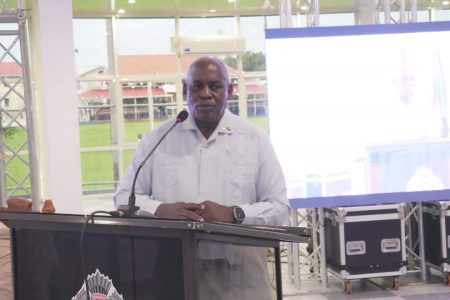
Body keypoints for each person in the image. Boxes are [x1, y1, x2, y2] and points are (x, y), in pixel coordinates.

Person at [114, 56, 289, 299]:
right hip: (175, 274)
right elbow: (123, 197)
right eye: (197, 86)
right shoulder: (158, 139)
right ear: (186, 91)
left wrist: (234, 214)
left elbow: (280, 207)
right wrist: (160, 209)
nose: (205, 94)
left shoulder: (254, 140)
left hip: (241, 277)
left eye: (215, 86)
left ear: (230, 90)